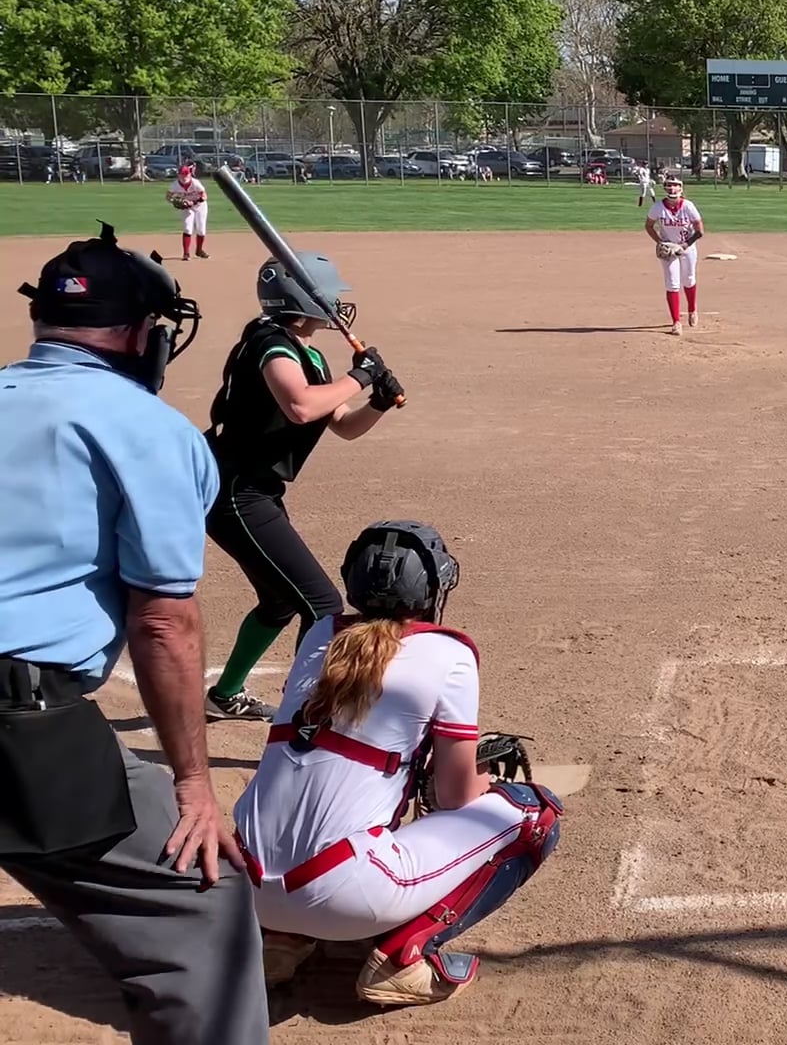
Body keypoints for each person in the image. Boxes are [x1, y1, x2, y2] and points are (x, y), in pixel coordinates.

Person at [1, 224, 268, 1044]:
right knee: (202, 897)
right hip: (22, 729)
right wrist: (194, 784)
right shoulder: (150, 429)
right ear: (138, 334)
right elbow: (162, 621)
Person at [233, 521, 563, 1006]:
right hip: (344, 891)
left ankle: (278, 942)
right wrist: (483, 777)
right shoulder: (449, 652)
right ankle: (402, 959)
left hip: (243, 886)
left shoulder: (321, 634)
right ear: (432, 589)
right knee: (535, 813)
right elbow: (454, 796)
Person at [201, 255, 404, 720]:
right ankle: (305, 717)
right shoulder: (271, 344)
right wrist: (360, 376)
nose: (335, 302)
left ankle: (224, 696)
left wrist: (377, 400)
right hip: (234, 493)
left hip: (257, 491)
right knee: (322, 605)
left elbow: (344, 425)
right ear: (302, 300)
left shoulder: (306, 353)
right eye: (328, 295)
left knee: (279, 600)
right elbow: (300, 406)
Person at [645, 174, 705, 336]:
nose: (672, 188)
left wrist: (684, 245)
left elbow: (700, 231)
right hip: (669, 250)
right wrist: (660, 242)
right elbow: (649, 226)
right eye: (669, 185)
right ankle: (676, 322)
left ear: (681, 187)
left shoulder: (688, 206)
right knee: (672, 283)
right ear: (665, 188)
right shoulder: (658, 207)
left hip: (687, 247)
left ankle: (692, 310)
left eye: (675, 185)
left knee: (689, 279)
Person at [167, 162, 210, 261]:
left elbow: (204, 196)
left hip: (200, 206)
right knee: (187, 228)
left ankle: (199, 251)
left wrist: (194, 202)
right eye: (182, 174)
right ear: (179, 175)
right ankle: (186, 253)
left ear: (190, 174)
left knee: (201, 230)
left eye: (186, 174)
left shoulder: (195, 183)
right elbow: (168, 197)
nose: (184, 176)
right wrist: (175, 201)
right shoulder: (175, 185)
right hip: (186, 208)